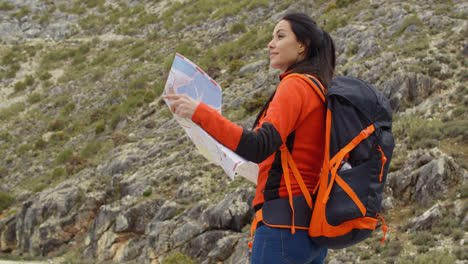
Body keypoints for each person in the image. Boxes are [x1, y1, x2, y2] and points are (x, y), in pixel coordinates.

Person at [164, 12, 336, 264]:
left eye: (280, 36)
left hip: (281, 229)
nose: (270, 43)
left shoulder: (296, 85)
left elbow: (258, 146)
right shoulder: (320, 89)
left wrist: (200, 112)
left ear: (302, 45)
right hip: (311, 234)